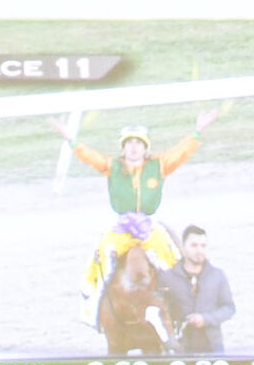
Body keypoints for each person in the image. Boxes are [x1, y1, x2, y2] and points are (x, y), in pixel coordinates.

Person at [55, 112, 220, 314]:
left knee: (171, 255)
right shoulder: (112, 166)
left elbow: (181, 153)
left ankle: (185, 298)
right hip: (122, 228)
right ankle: (92, 301)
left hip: (149, 228)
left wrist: (197, 131)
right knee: (102, 252)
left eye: (138, 143)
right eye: (129, 143)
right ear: (123, 149)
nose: (134, 147)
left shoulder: (159, 165)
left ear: (145, 148)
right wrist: (71, 139)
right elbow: (89, 156)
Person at [156, 226, 237, 346]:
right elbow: (158, 311)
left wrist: (205, 319)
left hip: (212, 346)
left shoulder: (217, 275)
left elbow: (229, 308)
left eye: (203, 246)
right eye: (194, 245)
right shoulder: (167, 278)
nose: (199, 250)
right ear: (183, 248)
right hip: (180, 347)